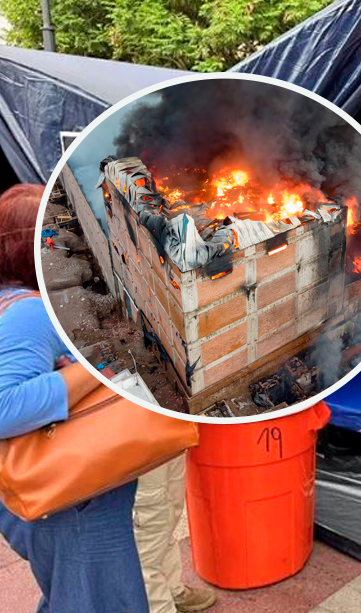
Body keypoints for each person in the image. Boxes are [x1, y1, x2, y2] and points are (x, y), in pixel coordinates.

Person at [0, 184, 150, 613]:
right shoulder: (30, 312)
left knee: (72, 598)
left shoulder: (11, 301)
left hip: (59, 495)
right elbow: (4, 406)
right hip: (76, 500)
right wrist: (98, 366)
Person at [135, 456, 218, 613]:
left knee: (167, 518)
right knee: (150, 525)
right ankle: (160, 608)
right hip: (138, 445)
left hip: (169, 440)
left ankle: (173, 591)